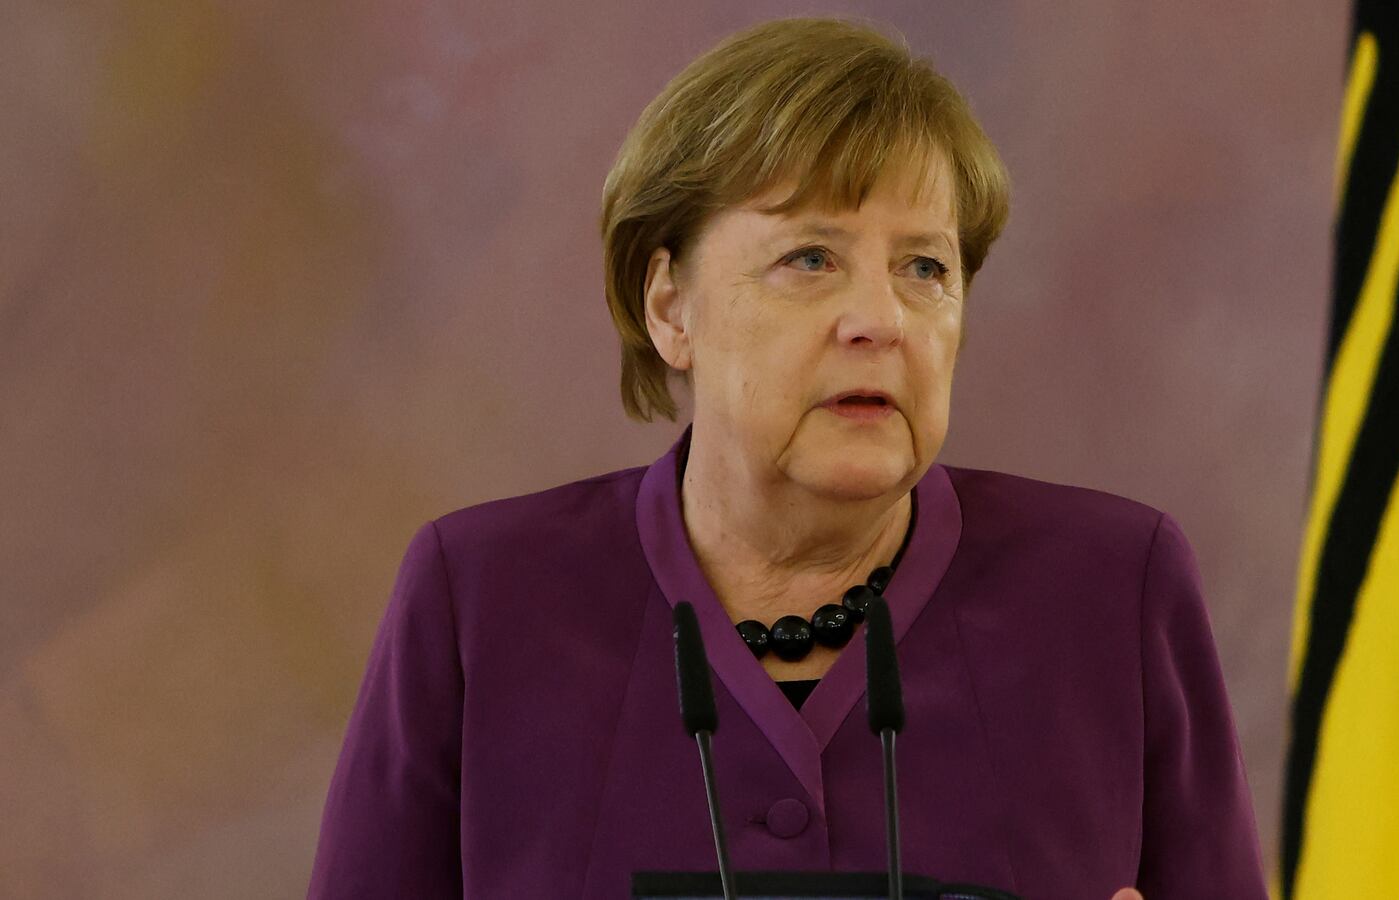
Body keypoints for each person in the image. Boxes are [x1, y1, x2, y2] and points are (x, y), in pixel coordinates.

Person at [308, 16, 1266, 900]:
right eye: (811, 258)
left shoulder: (1111, 587)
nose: (880, 321)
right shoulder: (480, 599)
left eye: (925, 268)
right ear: (669, 306)